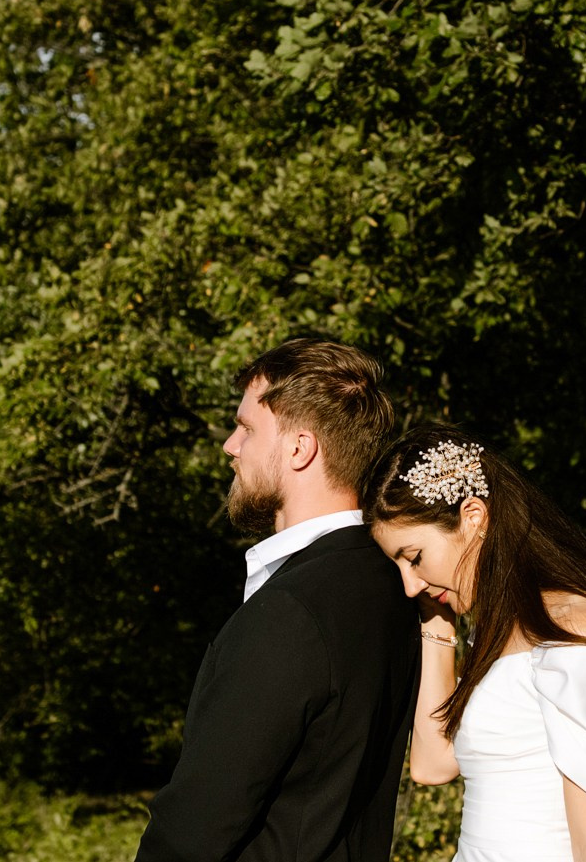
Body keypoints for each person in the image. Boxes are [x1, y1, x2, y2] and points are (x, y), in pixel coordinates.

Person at [135, 338, 419, 862]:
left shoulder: (293, 611)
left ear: (299, 448)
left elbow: (198, 825)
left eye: (246, 428)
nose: (230, 446)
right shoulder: (395, 585)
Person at [363, 426, 586, 862]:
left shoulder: (570, 626)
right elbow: (432, 764)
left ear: (473, 517)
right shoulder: (492, 633)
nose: (409, 585)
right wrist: (437, 618)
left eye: (414, 558)